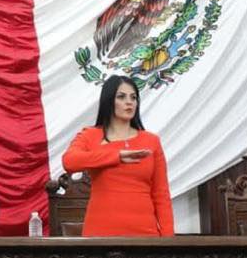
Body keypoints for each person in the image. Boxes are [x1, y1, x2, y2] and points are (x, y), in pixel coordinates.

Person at [61, 75, 173, 237]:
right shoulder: (91, 135)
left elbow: (161, 195)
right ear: (109, 101)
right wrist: (116, 156)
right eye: (121, 97)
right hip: (100, 233)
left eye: (133, 97)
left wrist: (169, 241)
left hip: (145, 234)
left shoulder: (151, 141)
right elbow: (69, 161)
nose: (129, 102)